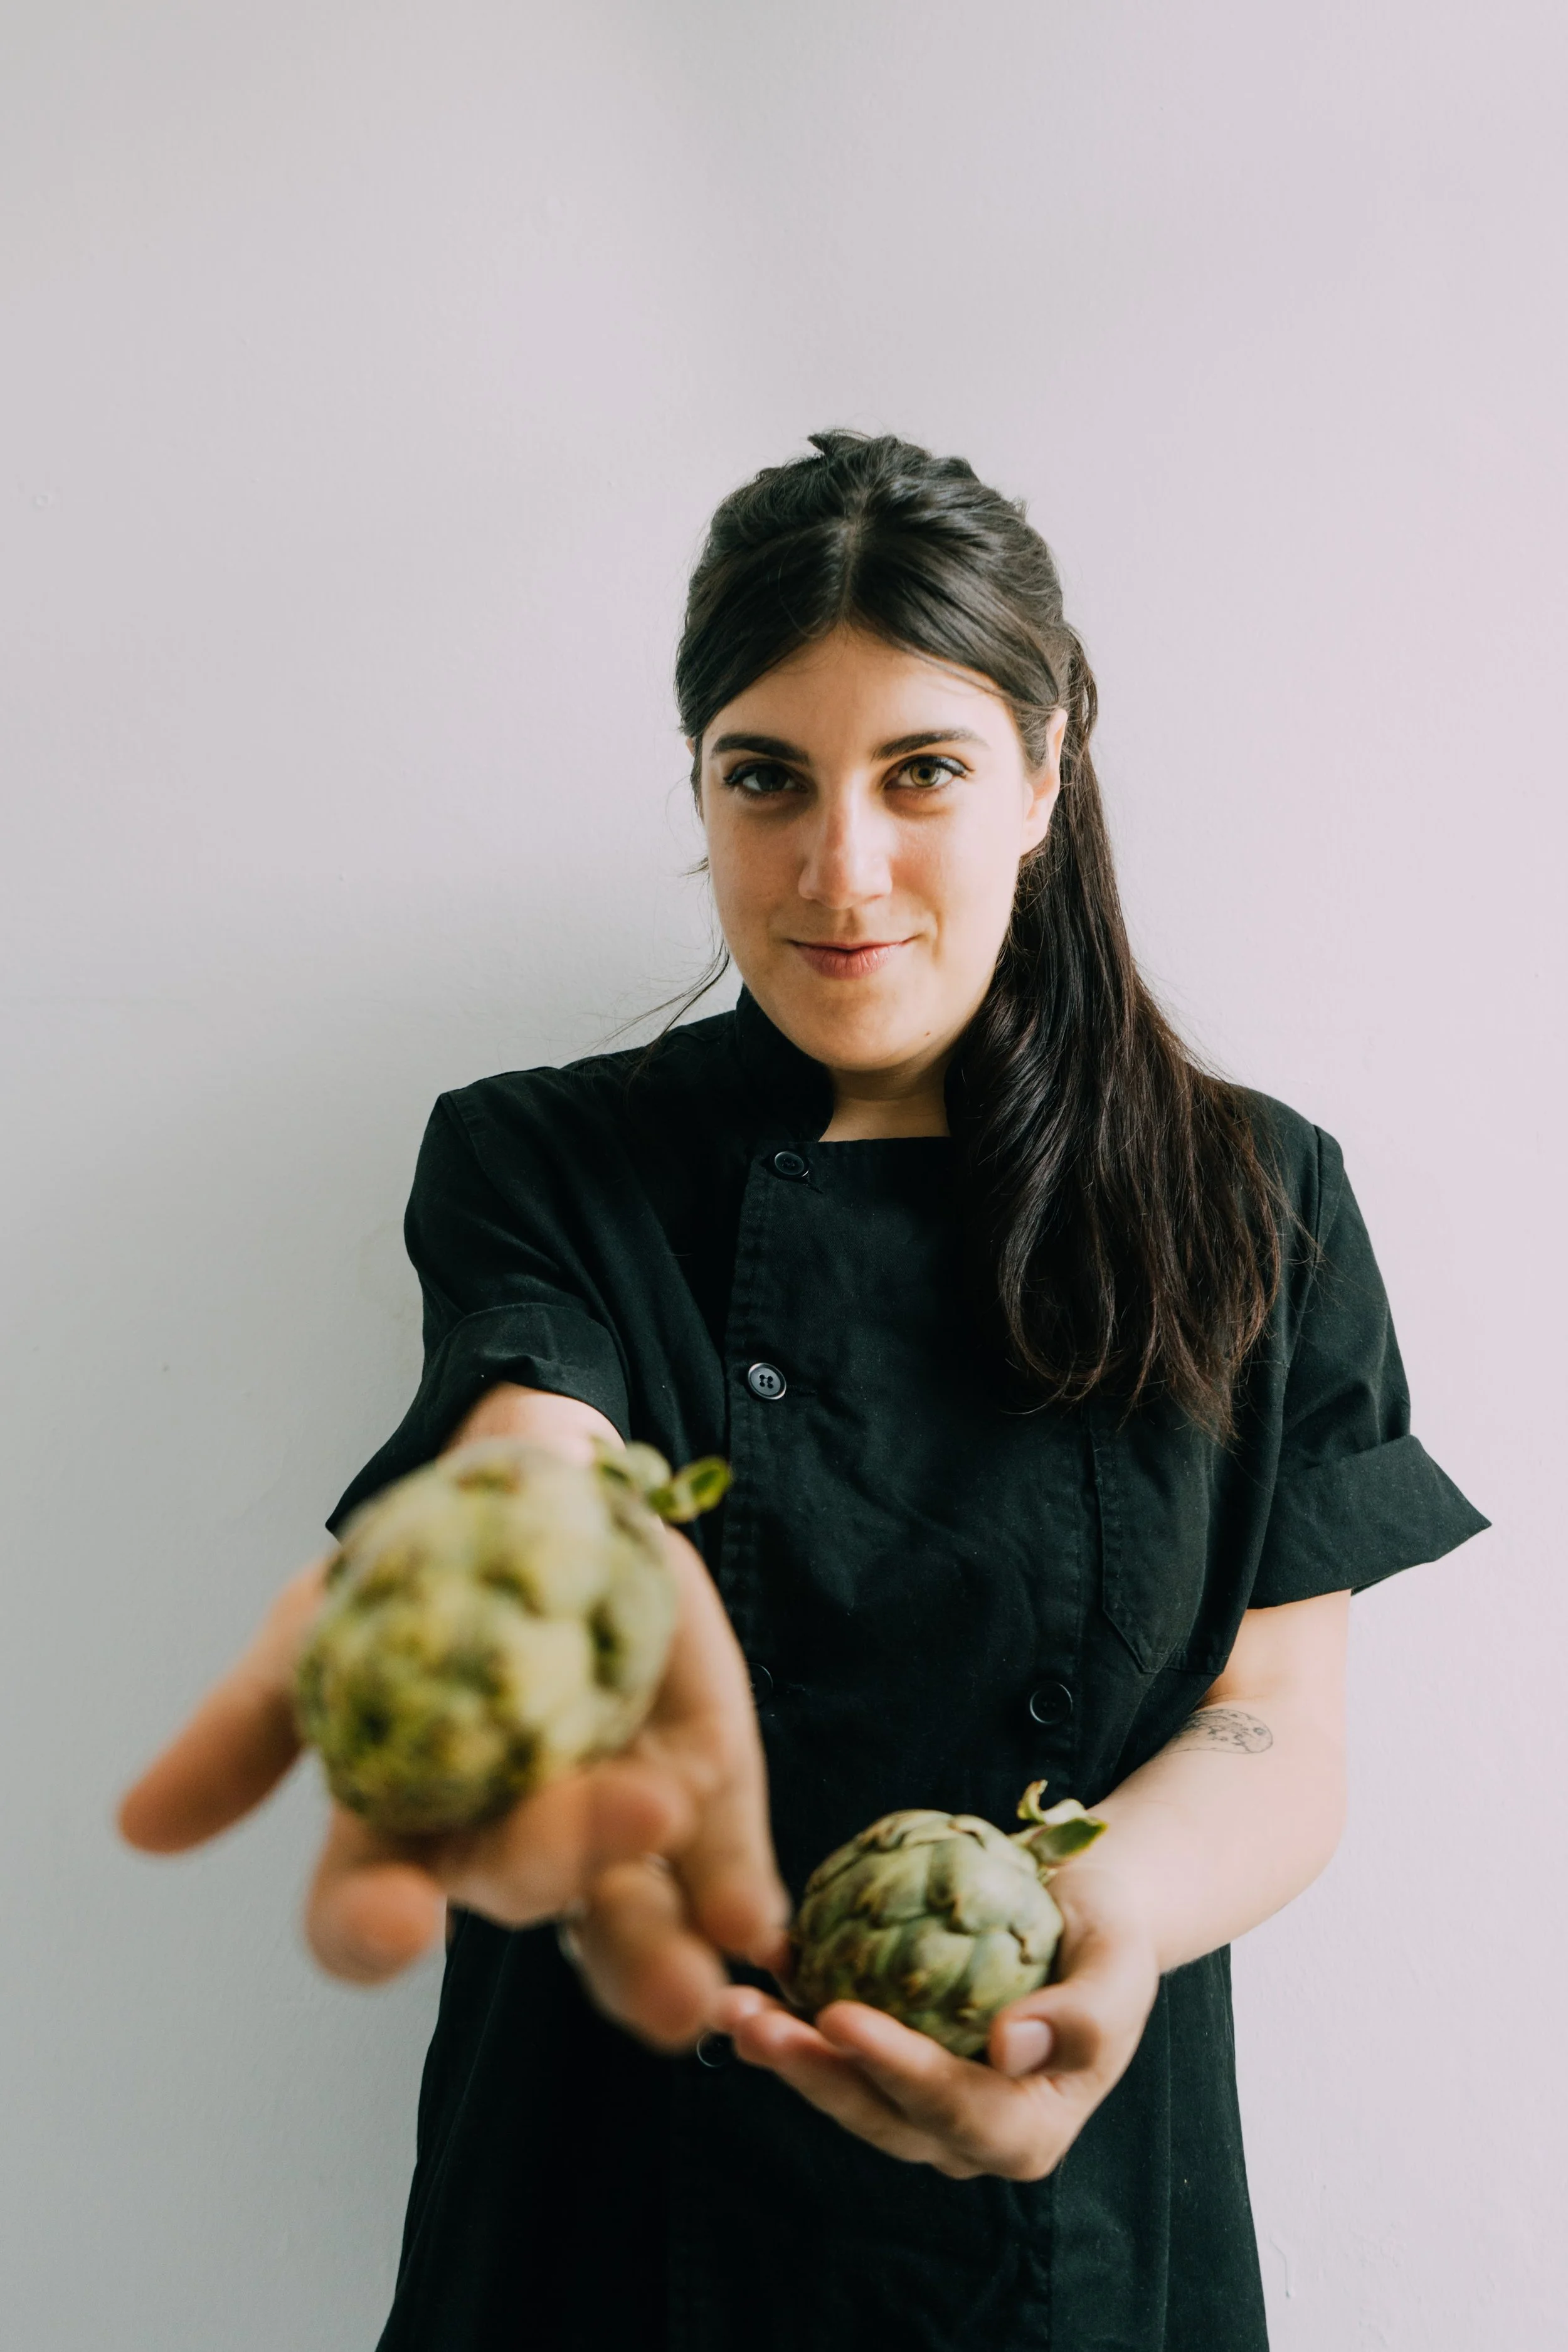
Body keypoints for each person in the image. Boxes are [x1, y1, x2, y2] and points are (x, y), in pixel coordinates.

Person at [119, 430, 1486, 2350]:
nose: (836, 871)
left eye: (919, 771)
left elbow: (1279, 1722)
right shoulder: (542, 1161)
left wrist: (1108, 1924)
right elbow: (539, 1434)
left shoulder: (1256, 1198)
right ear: (698, 783)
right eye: (765, 778)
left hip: (1065, 2191)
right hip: (605, 2205)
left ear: (1042, 768)